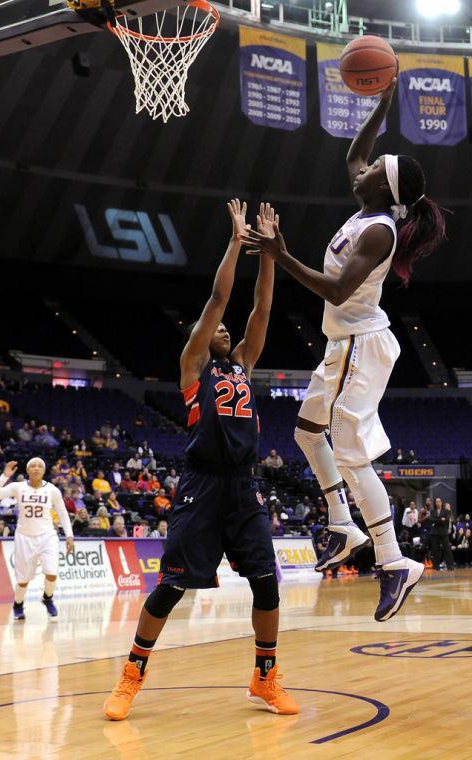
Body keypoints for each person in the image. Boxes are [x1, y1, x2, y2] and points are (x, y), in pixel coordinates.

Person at [240, 75, 446, 622]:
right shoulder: (368, 203)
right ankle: (340, 522)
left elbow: (334, 290)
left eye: (378, 168)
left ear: (384, 189)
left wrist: (281, 255)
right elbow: (356, 149)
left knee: (351, 454)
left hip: (362, 343)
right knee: (306, 432)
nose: (366, 166)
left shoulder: (378, 230)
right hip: (344, 344)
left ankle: (395, 561)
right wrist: (381, 106)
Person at [104, 200, 298, 721]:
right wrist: (237, 241)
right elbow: (219, 297)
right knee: (171, 586)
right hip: (202, 485)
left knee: (266, 582)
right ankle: (131, 676)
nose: (226, 330)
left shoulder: (244, 364)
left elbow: (260, 309)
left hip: (243, 484)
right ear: (198, 336)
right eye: (215, 328)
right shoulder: (193, 366)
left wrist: (271, 254)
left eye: (227, 331)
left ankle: (265, 676)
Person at [0, 458, 74, 621]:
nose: (36, 468)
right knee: (23, 581)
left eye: (40, 466)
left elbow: (62, 513)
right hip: (24, 537)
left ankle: (47, 598)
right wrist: (5, 476)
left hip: (48, 536)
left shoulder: (53, 490)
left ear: (44, 470)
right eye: (32, 466)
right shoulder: (18, 487)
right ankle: (18, 604)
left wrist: (69, 535)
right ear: (27, 471)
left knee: (52, 573)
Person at [430, 497, 454, 571]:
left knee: (447, 549)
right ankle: (436, 566)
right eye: (437, 502)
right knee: (435, 550)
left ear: (441, 502)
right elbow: (431, 520)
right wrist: (441, 519)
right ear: (435, 503)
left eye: (439, 501)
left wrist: (437, 520)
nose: (438, 503)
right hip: (435, 533)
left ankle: (450, 566)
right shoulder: (432, 511)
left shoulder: (446, 511)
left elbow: (446, 520)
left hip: (444, 533)